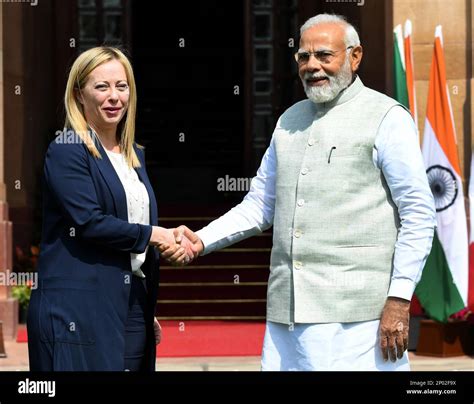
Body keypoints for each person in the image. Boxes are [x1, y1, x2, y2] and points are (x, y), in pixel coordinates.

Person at [166, 14, 437, 371]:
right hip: (287, 317)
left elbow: (418, 213)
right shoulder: (289, 120)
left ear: (355, 57)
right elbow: (260, 205)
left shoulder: (387, 116)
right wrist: (200, 240)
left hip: (359, 321)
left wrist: (399, 297)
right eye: (304, 57)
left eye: (325, 55)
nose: (312, 66)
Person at [27, 46, 191, 371]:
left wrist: (141, 305)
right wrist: (155, 235)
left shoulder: (134, 156)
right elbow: (90, 222)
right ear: (79, 94)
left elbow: (132, 225)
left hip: (129, 303)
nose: (114, 96)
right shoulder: (67, 149)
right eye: (102, 87)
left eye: (122, 86)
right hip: (78, 310)